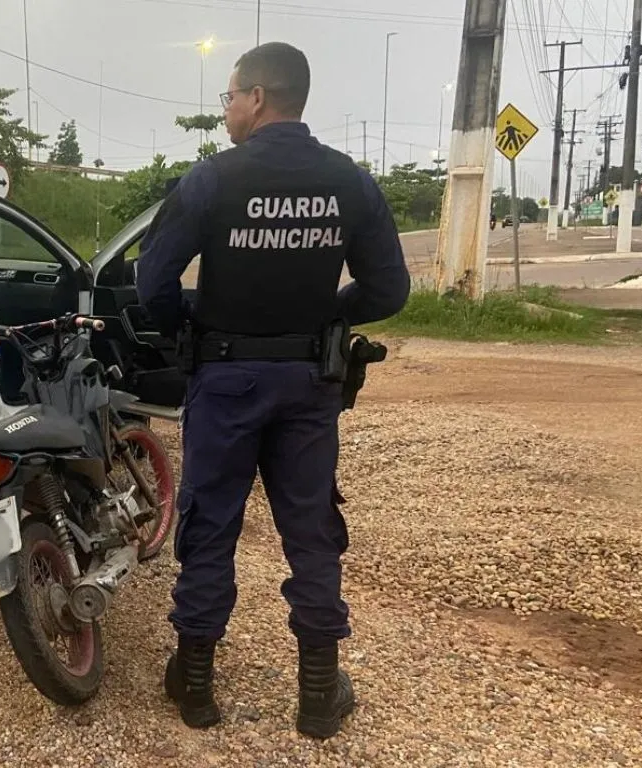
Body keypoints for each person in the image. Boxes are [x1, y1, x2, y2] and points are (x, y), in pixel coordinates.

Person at [136, 41, 409, 738]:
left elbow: (151, 281)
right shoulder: (349, 182)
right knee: (310, 533)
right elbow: (389, 289)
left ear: (257, 97)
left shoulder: (212, 179)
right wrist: (330, 314)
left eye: (229, 96)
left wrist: (190, 323)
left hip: (225, 380)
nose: (226, 109)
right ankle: (318, 697)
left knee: (210, 526)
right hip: (309, 384)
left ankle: (196, 687)